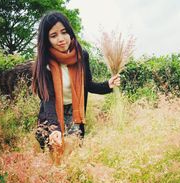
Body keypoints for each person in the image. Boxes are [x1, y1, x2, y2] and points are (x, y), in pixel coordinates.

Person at [32, 11, 120, 150]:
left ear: (70, 32)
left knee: (74, 151)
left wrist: (108, 85)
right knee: (52, 150)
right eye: (54, 35)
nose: (61, 39)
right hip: (53, 111)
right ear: (47, 39)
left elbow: (88, 85)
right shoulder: (45, 62)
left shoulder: (81, 55)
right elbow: (48, 98)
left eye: (64, 32)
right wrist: (54, 128)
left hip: (74, 111)